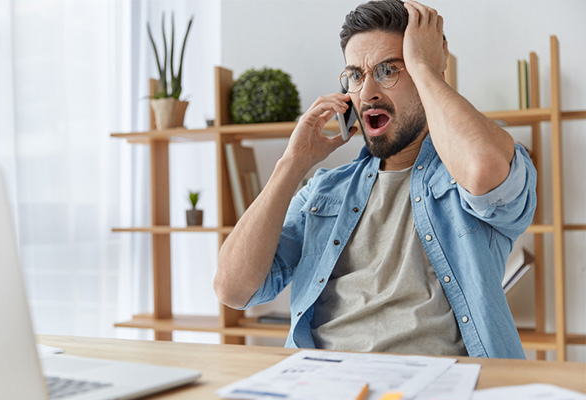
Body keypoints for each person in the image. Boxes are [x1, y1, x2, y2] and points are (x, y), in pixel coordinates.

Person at [214, 0, 536, 359]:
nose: (367, 93)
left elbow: (484, 170)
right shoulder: (324, 190)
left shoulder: (468, 173)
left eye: (387, 70)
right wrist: (291, 164)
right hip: (324, 381)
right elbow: (233, 290)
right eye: (355, 75)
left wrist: (424, 67)